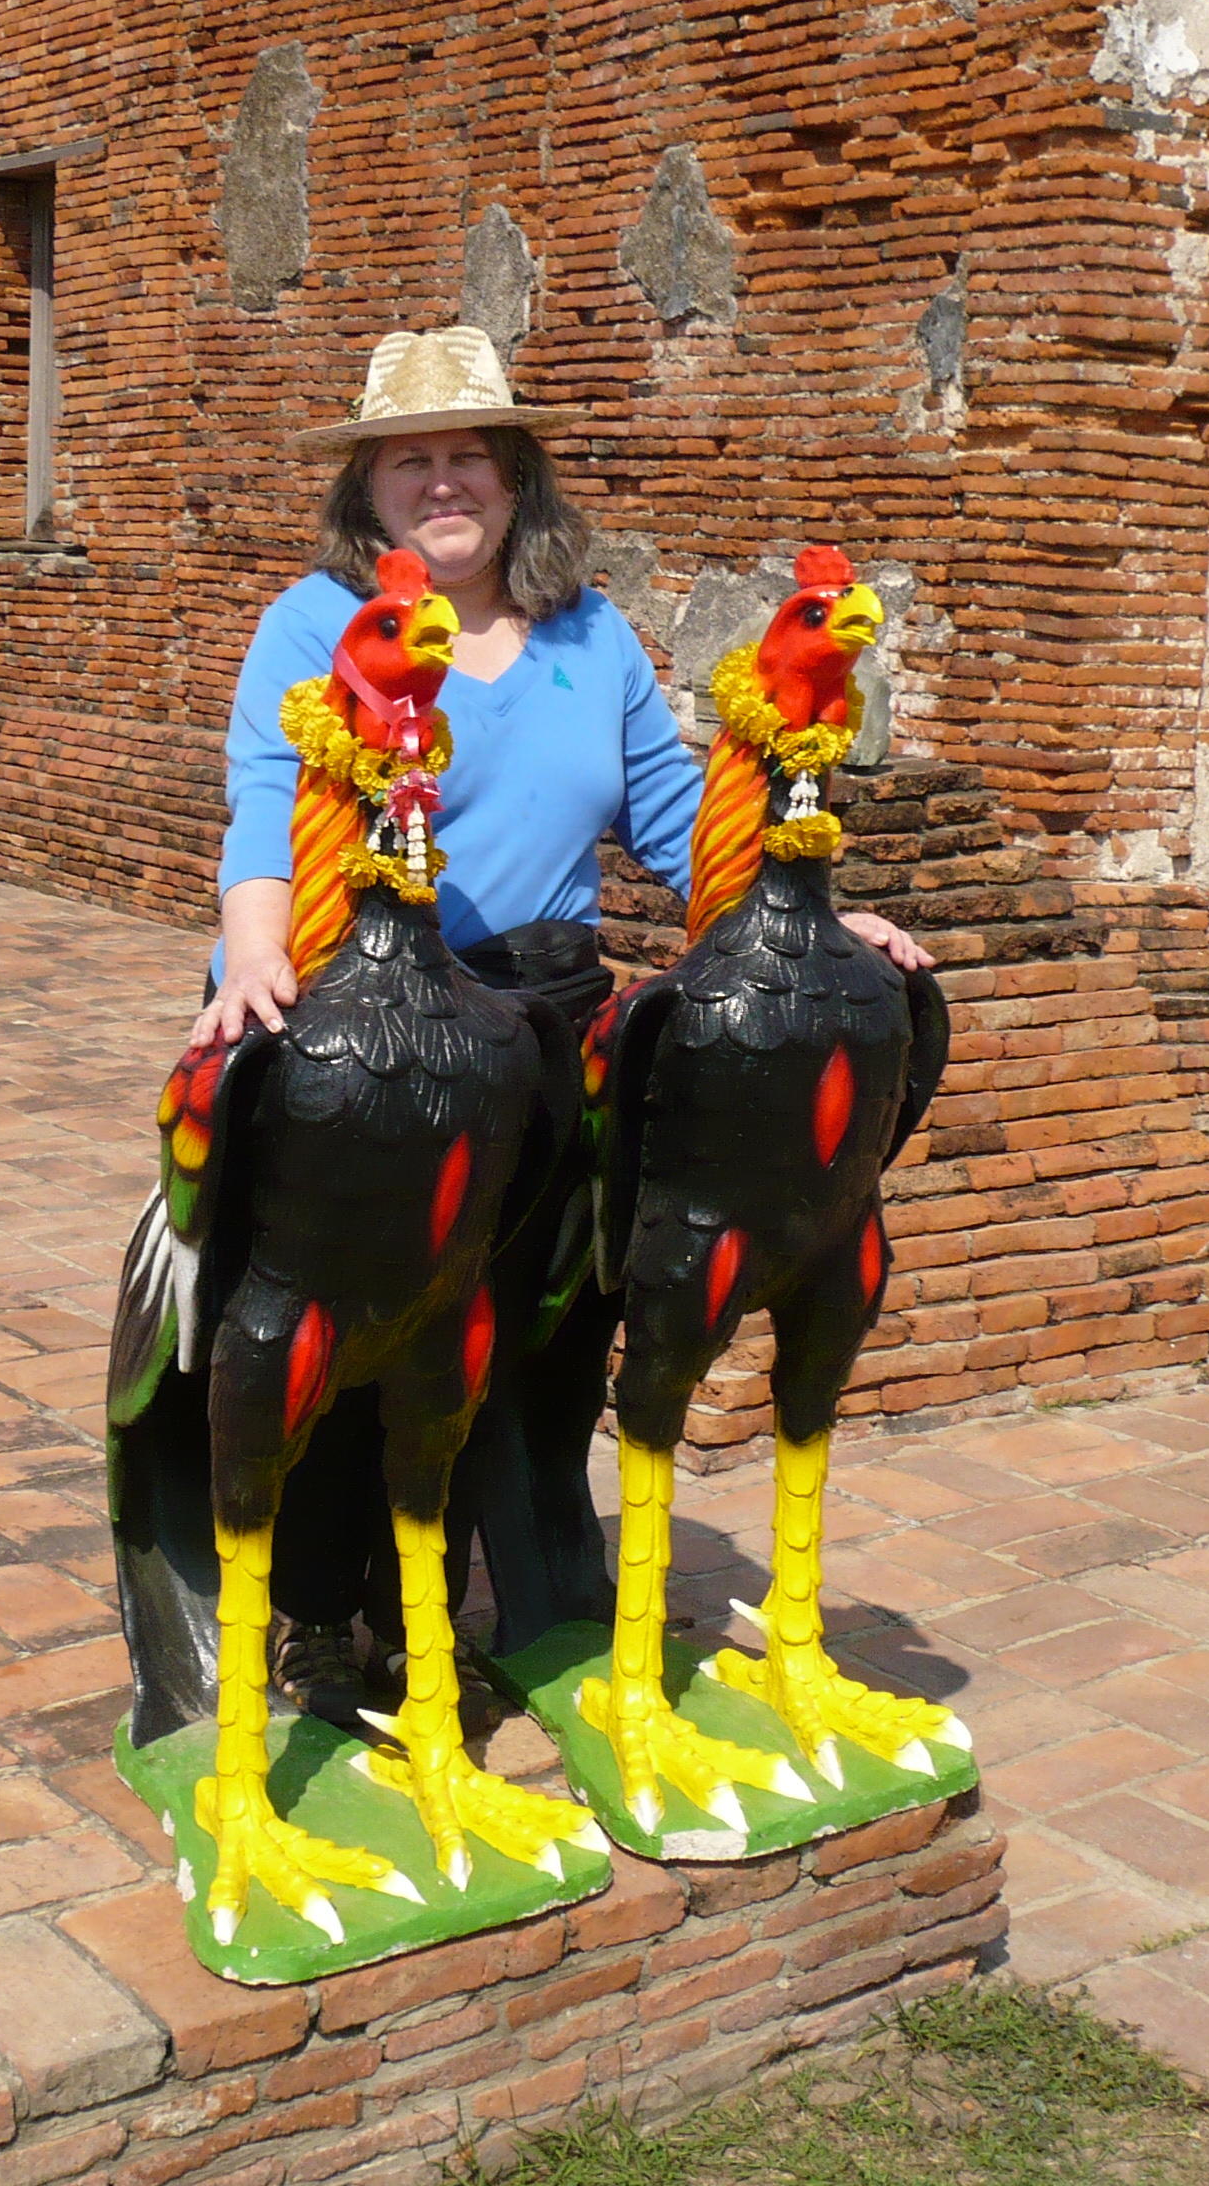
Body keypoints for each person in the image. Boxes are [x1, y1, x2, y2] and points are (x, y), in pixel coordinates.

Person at [192, 325, 932, 1721]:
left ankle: (517, 1588)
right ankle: (324, 1615)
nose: (443, 481)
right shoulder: (314, 621)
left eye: (469, 454)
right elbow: (263, 803)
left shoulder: (591, 633)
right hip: (378, 1020)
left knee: (542, 1322)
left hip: (544, 1025)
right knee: (364, 1326)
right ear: (367, 489)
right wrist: (254, 955)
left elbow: (674, 815)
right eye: (410, 460)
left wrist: (819, 920)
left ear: (517, 476)